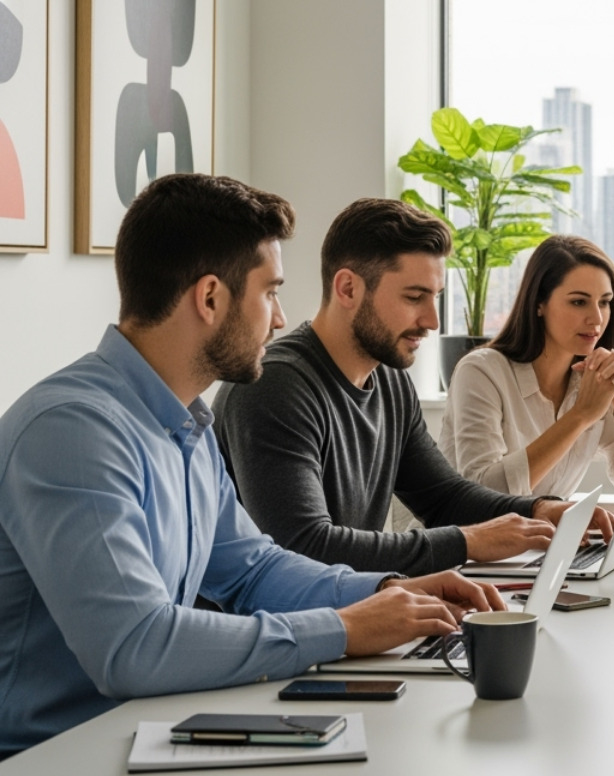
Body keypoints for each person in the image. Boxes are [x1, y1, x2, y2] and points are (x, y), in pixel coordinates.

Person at [0, 175, 503, 758]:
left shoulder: (184, 423)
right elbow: (132, 648)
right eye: (270, 293)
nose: (281, 318)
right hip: (57, 754)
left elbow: (251, 571)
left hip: (148, 732)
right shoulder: (73, 430)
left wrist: (388, 591)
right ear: (210, 298)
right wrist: (343, 628)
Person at [216, 198, 612, 578]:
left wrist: (538, 509)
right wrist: (466, 542)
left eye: (435, 297)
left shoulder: (389, 380)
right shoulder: (276, 386)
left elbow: (444, 498)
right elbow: (305, 547)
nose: (432, 320)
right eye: (414, 297)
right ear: (348, 289)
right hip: (274, 633)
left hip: (347, 611)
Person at [439, 235, 614, 498]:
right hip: (462, 537)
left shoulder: (591, 379)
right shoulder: (481, 372)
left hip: (543, 539)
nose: (596, 318)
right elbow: (485, 494)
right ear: (539, 303)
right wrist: (581, 414)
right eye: (578, 302)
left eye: (604, 302)